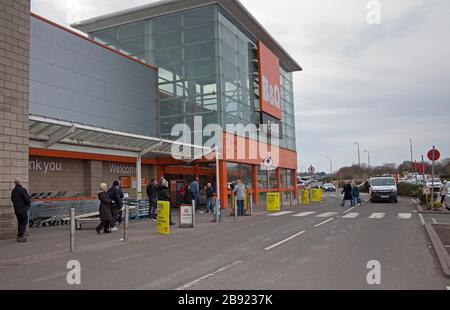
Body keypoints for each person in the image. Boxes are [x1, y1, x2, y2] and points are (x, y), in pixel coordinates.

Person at [11, 178, 31, 243]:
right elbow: (27, 199)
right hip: (23, 209)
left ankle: (19, 235)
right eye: (21, 182)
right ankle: (20, 236)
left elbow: (12, 199)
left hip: (17, 210)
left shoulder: (13, 191)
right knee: (24, 222)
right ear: (20, 183)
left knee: (20, 222)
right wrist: (28, 205)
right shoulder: (22, 190)